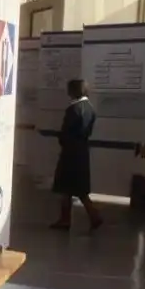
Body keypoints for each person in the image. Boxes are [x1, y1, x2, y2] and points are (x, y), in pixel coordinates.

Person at [50, 79, 102, 231]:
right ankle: (93, 215)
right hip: (82, 151)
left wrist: (62, 140)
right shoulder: (90, 108)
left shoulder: (73, 109)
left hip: (70, 153)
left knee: (65, 187)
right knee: (80, 189)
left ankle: (66, 219)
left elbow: (66, 132)